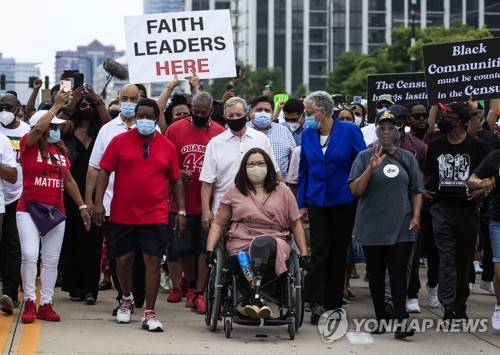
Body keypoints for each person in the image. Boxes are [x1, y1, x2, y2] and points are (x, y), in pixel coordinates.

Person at [92, 98, 186, 332]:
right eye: (140, 116)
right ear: (135, 117)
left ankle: (150, 312)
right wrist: (98, 203)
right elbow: (104, 171)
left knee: (152, 261)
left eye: (149, 116)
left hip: (155, 214)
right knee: (123, 261)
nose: (145, 120)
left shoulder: (167, 146)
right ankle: (126, 298)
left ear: (156, 119)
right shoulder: (119, 141)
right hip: (122, 212)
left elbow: (175, 180)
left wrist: (181, 210)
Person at [205, 148, 309, 319]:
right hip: (241, 242)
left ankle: (256, 296)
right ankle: (257, 296)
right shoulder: (234, 191)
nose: (256, 167)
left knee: (262, 242)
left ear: (268, 167)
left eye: (260, 163)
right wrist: (209, 250)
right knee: (241, 257)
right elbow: (218, 223)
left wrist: (304, 253)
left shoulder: (282, 190)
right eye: (251, 164)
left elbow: (295, 223)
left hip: (275, 240)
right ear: (244, 168)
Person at [348, 110, 423, 339]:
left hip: (402, 224)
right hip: (373, 224)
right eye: (383, 127)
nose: (387, 132)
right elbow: (355, 190)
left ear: (398, 131)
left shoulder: (407, 157)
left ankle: (401, 322)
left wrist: (416, 216)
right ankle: (381, 319)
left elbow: (416, 191)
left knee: (399, 272)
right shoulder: (363, 156)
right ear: (377, 131)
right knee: (377, 273)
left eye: (392, 128)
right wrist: (371, 167)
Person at [17, 100, 91, 324]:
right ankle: (30, 301)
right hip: (28, 209)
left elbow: (68, 181)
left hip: (54, 212)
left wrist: (82, 207)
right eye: (53, 126)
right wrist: (57, 104)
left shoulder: (59, 152)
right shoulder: (27, 144)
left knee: (51, 260)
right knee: (30, 255)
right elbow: (38, 129)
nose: (57, 130)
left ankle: (46, 304)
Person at [298, 91, 366, 324]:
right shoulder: (307, 135)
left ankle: (333, 303)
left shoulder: (349, 131)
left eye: (308, 113)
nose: (305, 117)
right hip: (317, 200)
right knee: (319, 252)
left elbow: (361, 163)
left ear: (322, 112)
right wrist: (302, 204)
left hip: (343, 200)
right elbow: (304, 170)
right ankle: (315, 301)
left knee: (338, 253)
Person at [422, 102, 489, 322]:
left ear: (459, 121)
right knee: (446, 259)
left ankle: (461, 305)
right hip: (441, 209)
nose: (442, 119)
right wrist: (422, 191)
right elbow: (425, 174)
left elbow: (490, 177)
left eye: (447, 116)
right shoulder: (436, 144)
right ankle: (448, 307)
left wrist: (481, 191)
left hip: (467, 210)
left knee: (463, 260)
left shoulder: (477, 146)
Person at [86, 83, 147, 313]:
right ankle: (124, 296)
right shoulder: (108, 130)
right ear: (118, 100)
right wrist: (91, 201)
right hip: (112, 206)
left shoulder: (150, 129)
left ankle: (138, 291)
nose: (129, 103)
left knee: (141, 257)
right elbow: (94, 168)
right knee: (117, 255)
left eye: (134, 99)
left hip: (143, 207)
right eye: (125, 98)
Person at [164, 91, 225, 312]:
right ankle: (189, 284)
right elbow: (164, 161)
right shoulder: (175, 129)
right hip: (179, 202)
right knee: (183, 249)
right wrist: (178, 172)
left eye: (203, 113)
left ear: (210, 111)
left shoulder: (219, 133)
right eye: (195, 112)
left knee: (203, 248)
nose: (198, 116)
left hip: (208, 202)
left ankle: (199, 292)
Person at [59, 85, 110, 305]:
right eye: (84, 105)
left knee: (91, 240)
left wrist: (97, 101)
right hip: (69, 194)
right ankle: (75, 287)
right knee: (70, 240)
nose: (87, 108)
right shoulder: (68, 131)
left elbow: (110, 123)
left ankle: (90, 289)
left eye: (90, 105)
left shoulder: (102, 132)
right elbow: (55, 125)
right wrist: (71, 103)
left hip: (96, 194)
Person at [200, 96, 280, 232]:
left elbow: (275, 173)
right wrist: (205, 211)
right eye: (231, 115)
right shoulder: (215, 143)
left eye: (239, 114)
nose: (235, 118)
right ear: (224, 117)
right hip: (224, 211)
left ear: (247, 115)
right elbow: (207, 182)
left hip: (259, 210)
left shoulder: (261, 139)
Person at [0, 93, 30, 315]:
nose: (4, 110)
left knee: (13, 245)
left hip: (19, 195)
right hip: (2, 196)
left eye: (8, 107)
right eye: (0, 106)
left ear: (17, 108)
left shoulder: (26, 132)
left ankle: (10, 294)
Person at [467, 150, 500, 331]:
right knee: (499, 271)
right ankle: (499, 307)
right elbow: (471, 180)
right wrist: (481, 182)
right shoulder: (495, 157)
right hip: (498, 220)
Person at [247, 95, 296, 179]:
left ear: (273, 113)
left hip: (278, 186)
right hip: (247, 187)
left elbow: (294, 162)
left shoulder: (284, 131)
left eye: (267, 110)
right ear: (251, 112)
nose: (263, 113)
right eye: (259, 110)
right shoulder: (243, 131)